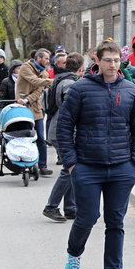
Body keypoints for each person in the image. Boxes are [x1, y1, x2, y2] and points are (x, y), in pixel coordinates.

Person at [56, 41, 135, 269]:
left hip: (122, 168)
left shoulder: (130, 90)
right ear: (97, 60)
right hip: (87, 166)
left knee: (115, 223)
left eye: (117, 60)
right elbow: (64, 127)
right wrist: (72, 163)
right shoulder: (80, 89)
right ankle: (74, 253)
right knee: (87, 217)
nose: (112, 65)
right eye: (108, 60)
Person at [43, 53, 86, 222]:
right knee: (70, 169)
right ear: (80, 69)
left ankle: (70, 207)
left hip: (59, 128)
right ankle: (51, 206)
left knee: (72, 169)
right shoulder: (70, 83)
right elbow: (72, 108)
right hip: (63, 131)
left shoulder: (61, 79)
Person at [16, 48, 54, 176]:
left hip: (36, 107)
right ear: (38, 58)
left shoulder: (45, 73)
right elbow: (34, 81)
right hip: (22, 107)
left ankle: (42, 166)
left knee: (40, 138)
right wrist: (53, 81)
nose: (48, 61)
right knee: (26, 137)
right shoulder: (26, 67)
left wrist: (28, 99)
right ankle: (27, 164)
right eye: (46, 58)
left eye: (49, 59)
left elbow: (39, 90)